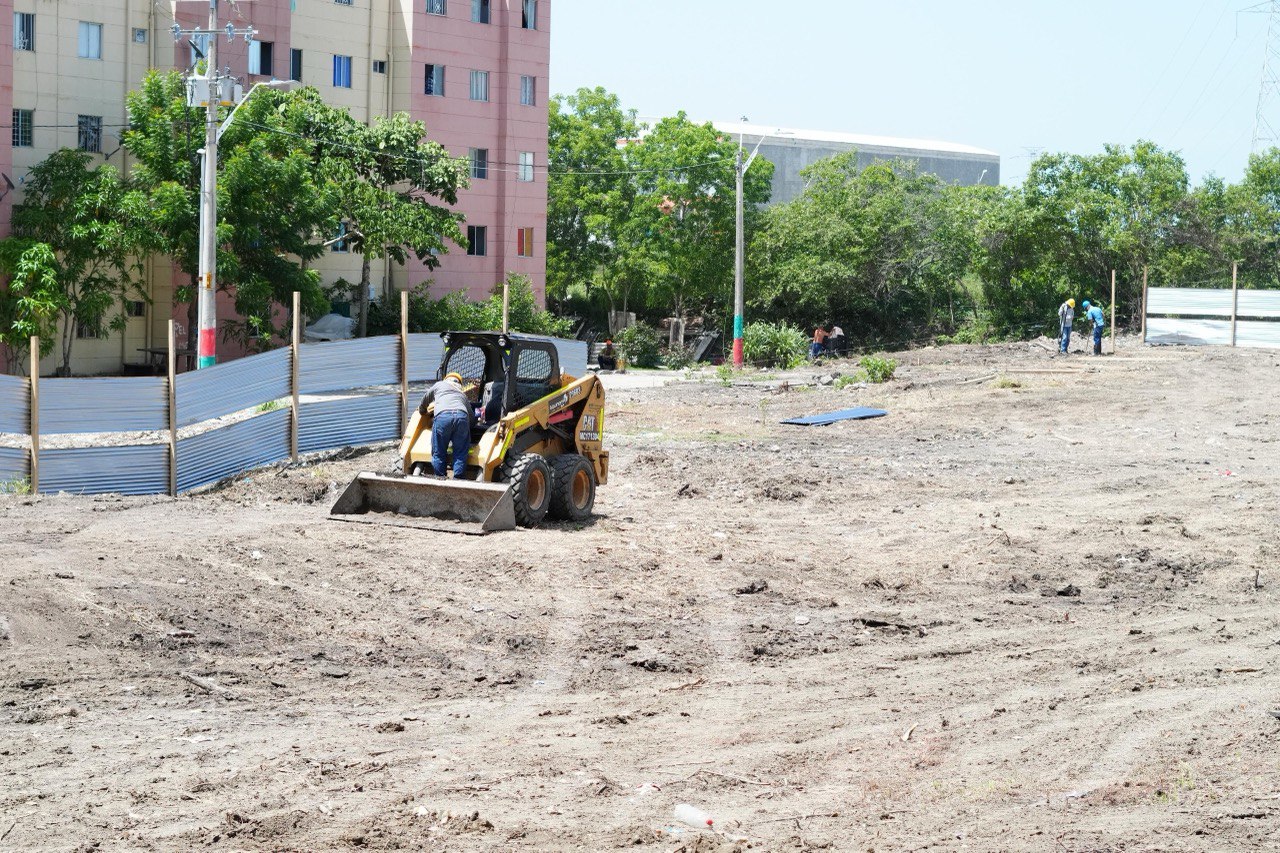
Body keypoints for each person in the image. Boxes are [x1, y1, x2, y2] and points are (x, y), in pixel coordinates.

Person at [421, 371, 472, 478]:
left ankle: (440, 478)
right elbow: (471, 416)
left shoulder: (439, 385)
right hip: (461, 417)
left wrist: (422, 410)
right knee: (460, 453)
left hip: (443, 417)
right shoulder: (461, 394)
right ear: (459, 383)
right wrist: (472, 426)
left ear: (446, 379)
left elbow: (426, 398)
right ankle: (458, 480)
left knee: (438, 451)